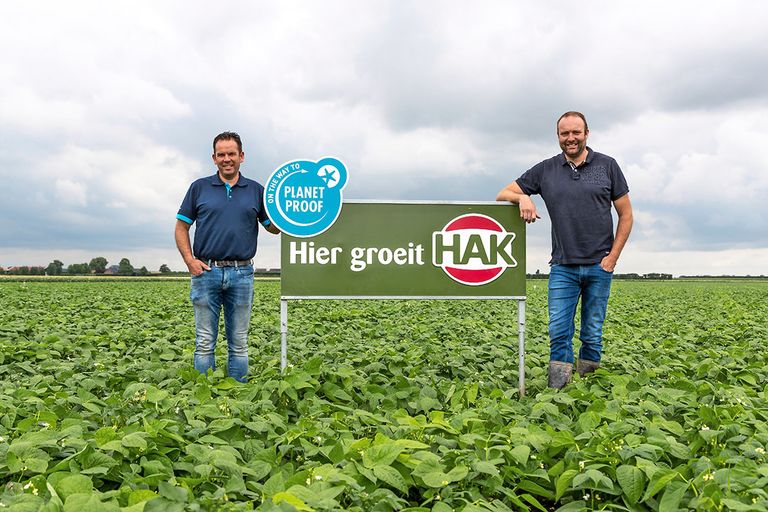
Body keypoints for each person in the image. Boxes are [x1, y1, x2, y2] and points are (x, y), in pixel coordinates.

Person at [496, 112, 633, 389]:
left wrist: (612, 258)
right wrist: (523, 196)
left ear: (586, 133)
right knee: (559, 331)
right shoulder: (546, 169)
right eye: (564, 134)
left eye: (576, 133)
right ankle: (558, 392)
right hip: (562, 266)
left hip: (599, 265)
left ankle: (588, 390)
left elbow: (626, 215)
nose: (570, 138)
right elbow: (503, 193)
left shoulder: (607, 166)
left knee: (592, 332)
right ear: (558, 136)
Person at [175, 131, 279, 382]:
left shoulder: (256, 190)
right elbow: (181, 227)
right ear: (214, 158)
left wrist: (288, 215)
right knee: (204, 341)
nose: (226, 159)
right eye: (221, 154)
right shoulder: (199, 188)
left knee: (239, 342)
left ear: (241, 156)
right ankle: (205, 399)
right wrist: (190, 261)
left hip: (242, 273)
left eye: (231, 153)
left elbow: (272, 227)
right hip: (206, 272)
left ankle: (237, 396)